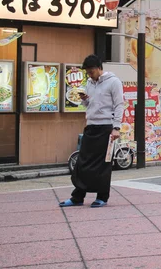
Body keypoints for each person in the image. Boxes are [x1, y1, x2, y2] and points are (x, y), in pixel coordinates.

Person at [60, 55, 124, 208]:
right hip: (91, 125)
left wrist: (116, 128)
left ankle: (102, 197)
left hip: (106, 127)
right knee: (82, 162)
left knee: (103, 164)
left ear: (99, 68)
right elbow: (89, 104)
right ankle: (77, 197)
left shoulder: (114, 82)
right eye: (88, 73)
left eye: (91, 72)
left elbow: (119, 105)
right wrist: (84, 99)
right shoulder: (89, 83)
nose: (90, 75)